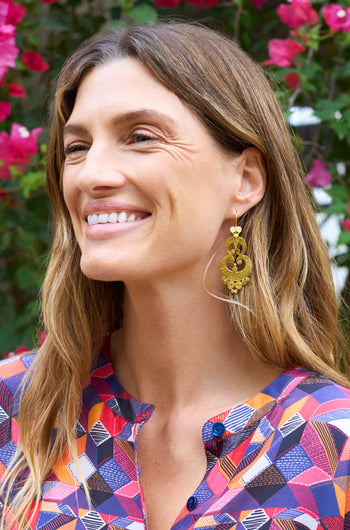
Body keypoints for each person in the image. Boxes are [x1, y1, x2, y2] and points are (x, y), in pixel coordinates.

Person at [0, 21, 349, 530]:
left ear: (245, 181)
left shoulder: (328, 443)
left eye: (140, 137)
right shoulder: (18, 410)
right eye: (76, 147)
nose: (92, 174)